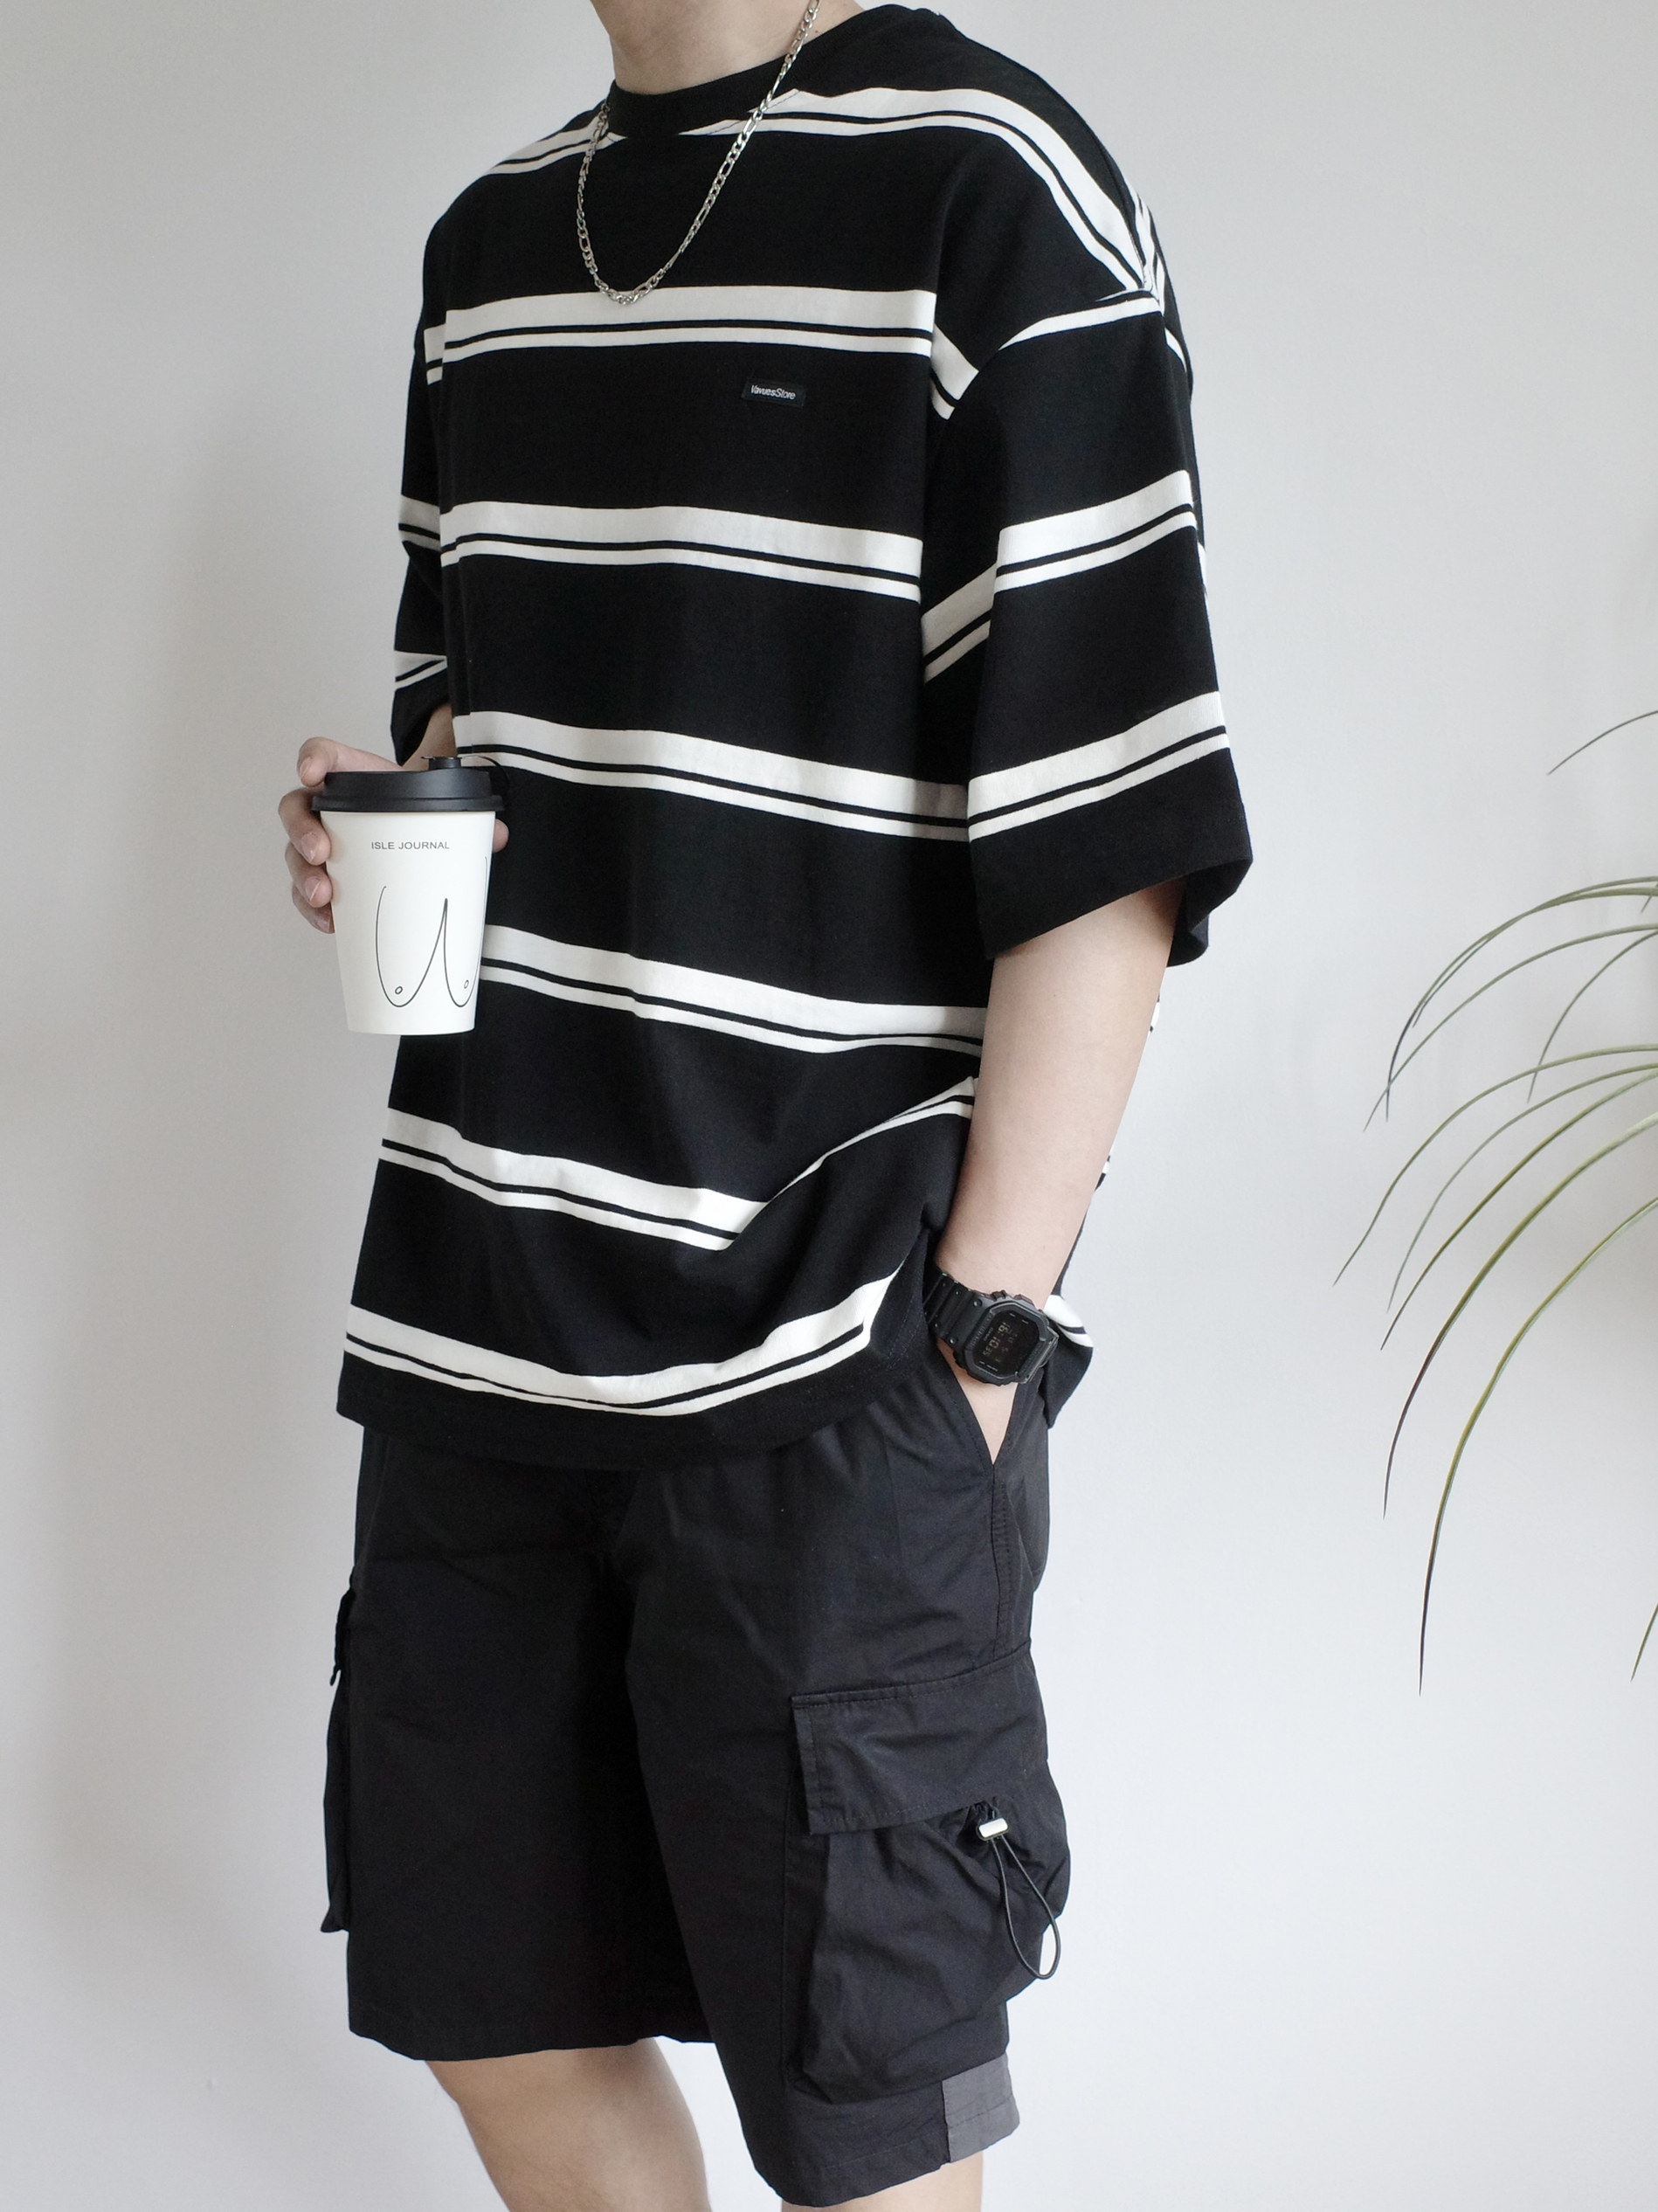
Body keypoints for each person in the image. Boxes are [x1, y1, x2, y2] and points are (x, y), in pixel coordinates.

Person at [278, 1, 1251, 2204]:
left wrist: (976, 1348)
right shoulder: (491, 246)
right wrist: (372, 821)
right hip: (476, 1325)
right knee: (501, 2028)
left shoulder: (988, 189)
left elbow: (1109, 833)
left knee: (860, 2114)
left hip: (830, 1351)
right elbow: (480, 747)